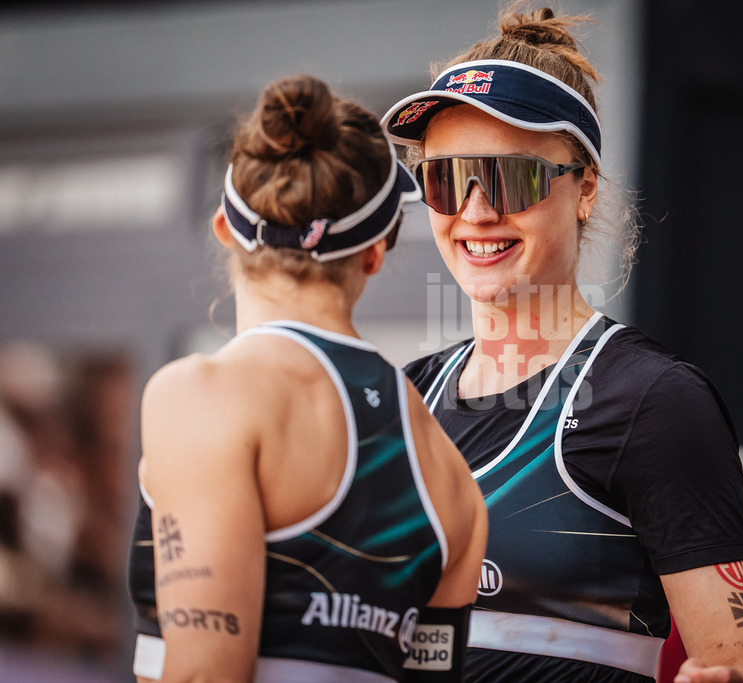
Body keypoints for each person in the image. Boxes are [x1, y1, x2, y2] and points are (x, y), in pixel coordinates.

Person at [381, 5, 743, 683]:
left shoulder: (654, 402)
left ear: (585, 189)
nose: (476, 211)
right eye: (446, 179)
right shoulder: (405, 396)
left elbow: (742, 667)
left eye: (508, 177)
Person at [127, 74, 488, 683]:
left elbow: (203, 674)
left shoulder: (201, 396)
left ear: (225, 228)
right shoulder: (450, 476)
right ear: (374, 253)